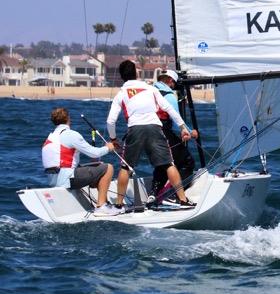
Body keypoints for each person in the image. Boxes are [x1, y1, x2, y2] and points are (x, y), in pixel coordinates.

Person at [106, 60, 195, 208]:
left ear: (122, 77)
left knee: (126, 167)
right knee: (168, 164)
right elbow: (168, 108)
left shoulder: (122, 93)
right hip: (155, 127)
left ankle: (118, 205)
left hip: (135, 129)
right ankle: (182, 199)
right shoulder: (150, 88)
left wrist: (114, 139)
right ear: (136, 73)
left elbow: (110, 121)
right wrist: (182, 127)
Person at [42, 107, 119, 216]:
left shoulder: (50, 138)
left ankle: (104, 203)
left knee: (98, 167)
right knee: (108, 168)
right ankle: (101, 206)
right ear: (68, 119)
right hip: (66, 179)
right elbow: (94, 153)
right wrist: (109, 147)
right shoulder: (70, 134)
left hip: (52, 181)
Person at [151, 70, 197, 199]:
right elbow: (176, 118)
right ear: (170, 81)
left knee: (163, 163)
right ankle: (174, 193)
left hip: (146, 132)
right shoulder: (169, 95)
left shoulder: (149, 91)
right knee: (187, 162)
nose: (173, 87)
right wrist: (190, 132)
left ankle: (153, 194)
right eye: (174, 84)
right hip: (162, 132)